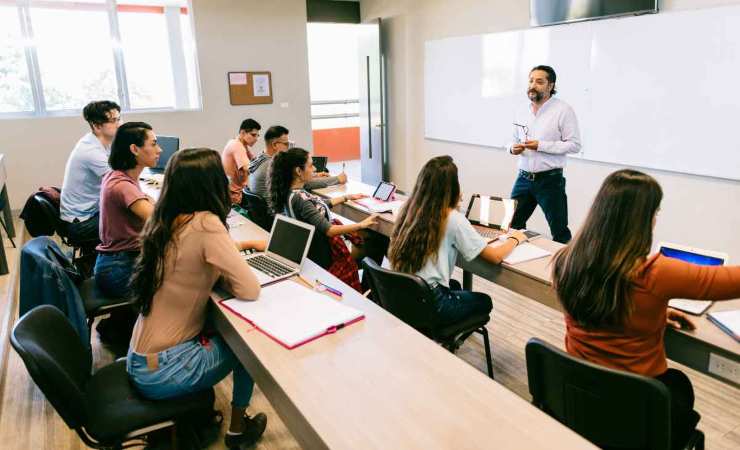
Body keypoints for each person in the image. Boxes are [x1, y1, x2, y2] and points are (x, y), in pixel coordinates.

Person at [551, 169, 740, 448]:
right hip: (634, 410)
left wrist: (653, 312)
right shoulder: (655, 273)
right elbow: (726, 282)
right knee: (679, 386)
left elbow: (603, 304)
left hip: (578, 395)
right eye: (654, 213)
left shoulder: (566, 259)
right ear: (641, 220)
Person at [127, 148, 268, 449]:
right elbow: (250, 289)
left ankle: (206, 417)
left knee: (225, 329)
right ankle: (238, 430)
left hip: (141, 359)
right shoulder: (206, 223)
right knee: (249, 345)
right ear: (212, 183)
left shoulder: (165, 218)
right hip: (165, 369)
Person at [389, 155, 527, 326]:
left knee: (454, 285)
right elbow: (495, 257)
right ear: (452, 188)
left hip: (403, 294)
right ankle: (447, 334)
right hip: (433, 302)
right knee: (484, 301)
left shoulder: (408, 209)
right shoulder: (452, 218)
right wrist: (515, 238)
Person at [269, 148, 375, 291]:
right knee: (375, 241)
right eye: (311, 165)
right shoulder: (301, 199)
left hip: (313, 251)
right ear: (298, 171)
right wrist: (361, 224)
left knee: (365, 237)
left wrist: (346, 197)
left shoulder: (290, 193)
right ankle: (366, 290)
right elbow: (330, 230)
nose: (315, 168)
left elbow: (317, 209)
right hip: (327, 256)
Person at [94, 122, 160, 350]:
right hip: (119, 269)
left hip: (114, 263)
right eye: (153, 144)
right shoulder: (122, 186)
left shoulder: (119, 177)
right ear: (134, 149)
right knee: (181, 281)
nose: (159, 149)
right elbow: (159, 222)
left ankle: (121, 326)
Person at [507, 65, 580, 243]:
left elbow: (574, 145)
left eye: (539, 82)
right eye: (531, 80)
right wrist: (511, 148)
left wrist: (541, 145)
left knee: (560, 231)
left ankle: (563, 270)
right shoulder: (521, 110)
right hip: (523, 179)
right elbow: (510, 139)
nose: (533, 85)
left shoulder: (563, 110)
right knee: (510, 226)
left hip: (550, 181)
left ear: (550, 86)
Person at [60, 100, 121, 246]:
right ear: (96, 125)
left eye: (119, 118)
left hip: (90, 212)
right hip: (81, 224)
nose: (119, 124)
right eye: (113, 120)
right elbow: (118, 183)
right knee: (135, 220)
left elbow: (118, 171)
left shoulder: (99, 142)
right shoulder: (91, 151)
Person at [248, 125, 346, 202]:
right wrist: (337, 179)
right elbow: (305, 184)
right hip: (276, 215)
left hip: (266, 212)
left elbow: (294, 178)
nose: (288, 147)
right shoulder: (272, 165)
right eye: (286, 144)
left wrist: (315, 175)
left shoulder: (261, 157)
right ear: (274, 145)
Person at [222, 118, 261, 205]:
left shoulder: (239, 143)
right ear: (243, 133)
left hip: (232, 193)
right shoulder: (237, 146)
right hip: (234, 197)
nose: (256, 139)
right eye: (253, 135)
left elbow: (255, 160)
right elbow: (248, 168)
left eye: (258, 135)